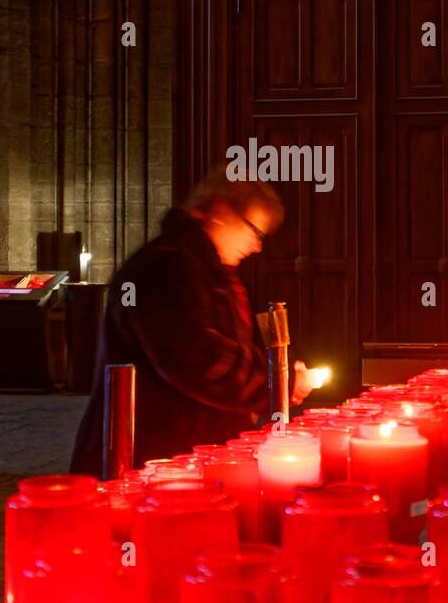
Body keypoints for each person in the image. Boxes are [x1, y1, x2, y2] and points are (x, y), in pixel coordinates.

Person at [70, 164, 314, 474]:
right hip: (152, 461)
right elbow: (198, 360)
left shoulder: (211, 271)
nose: (257, 246)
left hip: (191, 454)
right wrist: (276, 380)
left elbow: (236, 345)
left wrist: (282, 368)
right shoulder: (165, 267)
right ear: (221, 210)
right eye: (254, 230)